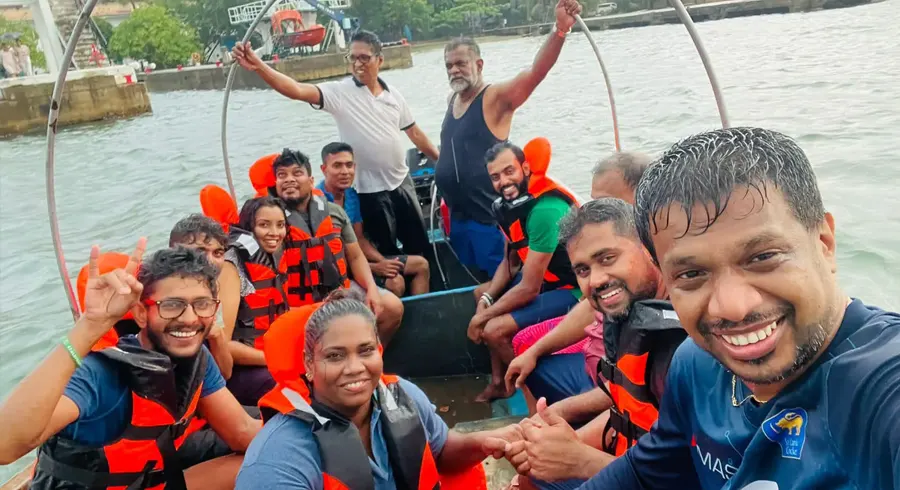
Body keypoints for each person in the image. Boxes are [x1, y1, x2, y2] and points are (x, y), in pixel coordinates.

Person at [579, 127, 900, 489]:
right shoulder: (696, 364)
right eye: (692, 274)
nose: (731, 307)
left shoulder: (879, 392)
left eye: (763, 257)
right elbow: (645, 473)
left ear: (824, 243)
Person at [0, 243, 261, 488]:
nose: (190, 319)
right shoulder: (99, 374)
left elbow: (242, 433)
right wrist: (88, 328)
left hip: (147, 480)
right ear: (139, 313)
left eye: (202, 304)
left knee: (264, 462)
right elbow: (5, 446)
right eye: (171, 306)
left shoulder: (196, 359)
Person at [235, 288, 522, 489]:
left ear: (380, 350)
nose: (354, 367)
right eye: (335, 356)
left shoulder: (404, 396)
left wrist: (486, 442)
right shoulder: (279, 458)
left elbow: (441, 450)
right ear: (308, 364)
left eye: (365, 351)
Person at [503, 198, 686, 490]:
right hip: (631, 458)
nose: (597, 280)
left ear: (649, 249)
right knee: (532, 471)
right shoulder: (629, 318)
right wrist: (565, 445)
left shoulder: (686, 348)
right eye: (583, 270)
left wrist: (580, 459)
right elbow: (627, 413)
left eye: (607, 258)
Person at [232, 30, 440, 261]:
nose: (357, 64)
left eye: (364, 58)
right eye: (353, 58)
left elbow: (414, 132)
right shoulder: (340, 93)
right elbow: (296, 90)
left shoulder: (393, 95)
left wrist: (440, 161)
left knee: (420, 244)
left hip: (401, 181)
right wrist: (259, 66)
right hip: (368, 191)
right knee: (386, 252)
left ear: (379, 60)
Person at [436, 0, 583, 277]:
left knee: (501, 277)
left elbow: (535, 73)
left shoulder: (495, 98)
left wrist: (560, 31)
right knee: (474, 275)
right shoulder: (452, 99)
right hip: (458, 218)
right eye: (449, 66)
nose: (454, 70)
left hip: (488, 218)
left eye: (460, 64)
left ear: (478, 64)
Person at [507, 151, 655, 407]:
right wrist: (536, 350)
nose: (594, 212)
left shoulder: (651, 258)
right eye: (592, 202)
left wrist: (567, 411)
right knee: (524, 343)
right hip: (601, 349)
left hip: (614, 375)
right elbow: (592, 306)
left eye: (605, 202)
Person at [467, 139, 582, 403]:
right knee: (480, 293)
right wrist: (486, 301)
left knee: (494, 329)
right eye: (495, 177)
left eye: (510, 171)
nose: (504, 182)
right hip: (545, 281)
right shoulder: (512, 207)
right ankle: (498, 383)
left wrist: (480, 319)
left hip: (573, 289)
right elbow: (511, 263)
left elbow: (529, 287)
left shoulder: (545, 210)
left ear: (526, 168)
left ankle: (535, 397)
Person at [268, 148, 404, 344]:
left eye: (297, 173)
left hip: (340, 289)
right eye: (282, 175)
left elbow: (356, 257)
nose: (289, 179)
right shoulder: (271, 219)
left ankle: (370, 358)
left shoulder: (334, 213)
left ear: (311, 180)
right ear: (276, 183)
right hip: (297, 301)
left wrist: (372, 288)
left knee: (393, 308)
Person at [318, 141, 431, 297]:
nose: (345, 171)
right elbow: (327, 258)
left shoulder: (351, 195)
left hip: (358, 259)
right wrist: (373, 267)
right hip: (338, 270)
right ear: (324, 169)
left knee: (421, 264)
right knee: (396, 282)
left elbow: (359, 239)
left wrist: (381, 262)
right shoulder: (317, 202)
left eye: (349, 165)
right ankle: (391, 318)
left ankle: (423, 317)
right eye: (337, 166)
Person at [214, 196, 291, 406]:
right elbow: (223, 343)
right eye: (264, 225)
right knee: (290, 384)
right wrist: (275, 361)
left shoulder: (273, 255)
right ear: (249, 227)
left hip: (270, 353)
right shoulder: (232, 266)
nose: (275, 233)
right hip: (240, 369)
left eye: (280, 225)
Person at [170, 214, 234, 378]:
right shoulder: (160, 296)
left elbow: (225, 374)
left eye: (218, 253)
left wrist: (216, 335)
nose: (210, 261)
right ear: (173, 252)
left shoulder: (210, 294)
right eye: (200, 251)